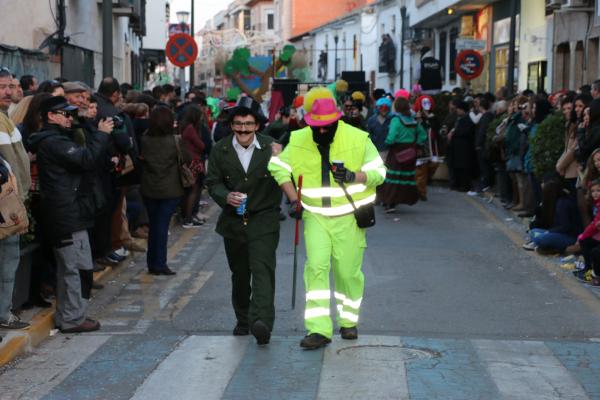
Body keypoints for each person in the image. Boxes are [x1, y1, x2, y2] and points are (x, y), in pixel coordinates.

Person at [268, 87, 386, 349]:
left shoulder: (358, 138)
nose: (321, 131)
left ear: (337, 119)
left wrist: (356, 176)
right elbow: (278, 167)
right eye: (316, 127)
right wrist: (293, 198)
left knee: (347, 272)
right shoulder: (298, 139)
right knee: (316, 268)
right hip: (315, 216)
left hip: (348, 217)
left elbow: (379, 171)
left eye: (327, 126)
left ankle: (348, 321)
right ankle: (319, 329)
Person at [29, 96, 113, 333]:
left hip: (67, 213)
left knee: (71, 268)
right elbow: (87, 159)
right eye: (65, 114)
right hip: (66, 215)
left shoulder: (54, 139)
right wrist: (102, 134)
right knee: (77, 269)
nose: (70, 118)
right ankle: (73, 318)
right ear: (51, 116)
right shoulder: (54, 143)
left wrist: (88, 125)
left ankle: (68, 316)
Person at [206, 97, 281, 346]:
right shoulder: (221, 148)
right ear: (232, 125)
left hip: (264, 218)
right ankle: (243, 318)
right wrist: (225, 196)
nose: (243, 129)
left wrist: (283, 160)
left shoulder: (272, 147)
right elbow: (213, 182)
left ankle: (261, 322)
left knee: (262, 269)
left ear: (257, 126)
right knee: (240, 274)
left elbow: (289, 174)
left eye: (248, 124)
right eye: (238, 124)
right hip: (233, 222)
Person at [0, 67, 31, 330]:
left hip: (12, 205)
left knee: (10, 260)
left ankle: (4, 312)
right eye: (2, 87)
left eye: (11, 86)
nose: (8, 92)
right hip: (3, 206)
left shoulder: (6, 118)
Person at [140, 106, 185, 276]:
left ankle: (152, 263)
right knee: (162, 226)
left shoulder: (144, 139)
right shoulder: (175, 140)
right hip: (170, 189)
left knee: (154, 226)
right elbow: (186, 158)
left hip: (149, 188)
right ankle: (160, 263)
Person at [378, 96, 427, 211]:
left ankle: (389, 202)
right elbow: (422, 135)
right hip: (410, 153)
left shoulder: (396, 120)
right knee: (405, 178)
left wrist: (388, 143)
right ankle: (400, 199)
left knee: (391, 177)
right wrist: (417, 144)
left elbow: (391, 136)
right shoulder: (413, 120)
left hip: (397, 152)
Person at [180, 104, 206, 228]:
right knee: (193, 190)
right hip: (193, 161)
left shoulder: (185, 126)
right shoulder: (191, 128)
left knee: (189, 190)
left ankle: (187, 217)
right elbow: (201, 145)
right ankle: (188, 219)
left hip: (188, 160)